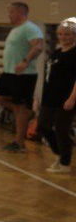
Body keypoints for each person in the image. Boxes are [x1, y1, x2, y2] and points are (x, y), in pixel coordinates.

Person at [0, 2, 44, 152]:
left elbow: (38, 47)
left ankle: (19, 143)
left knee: (20, 107)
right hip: (9, 73)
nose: (9, 15)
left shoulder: (30, 28)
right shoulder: (16, 29)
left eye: (11, 12)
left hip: (24, 75)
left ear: (20, 13)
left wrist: (25, 61)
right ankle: (27, 112)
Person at [37, 17, 76, 174]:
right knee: (43, 126)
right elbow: (49, 76)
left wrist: (72, 99)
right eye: (60, 34)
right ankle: (60, 155)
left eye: (67, 34)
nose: (63, 37)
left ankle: (65, 163)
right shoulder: (57, 52)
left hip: (66, 98)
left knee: (61, 129)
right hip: (50, 97)